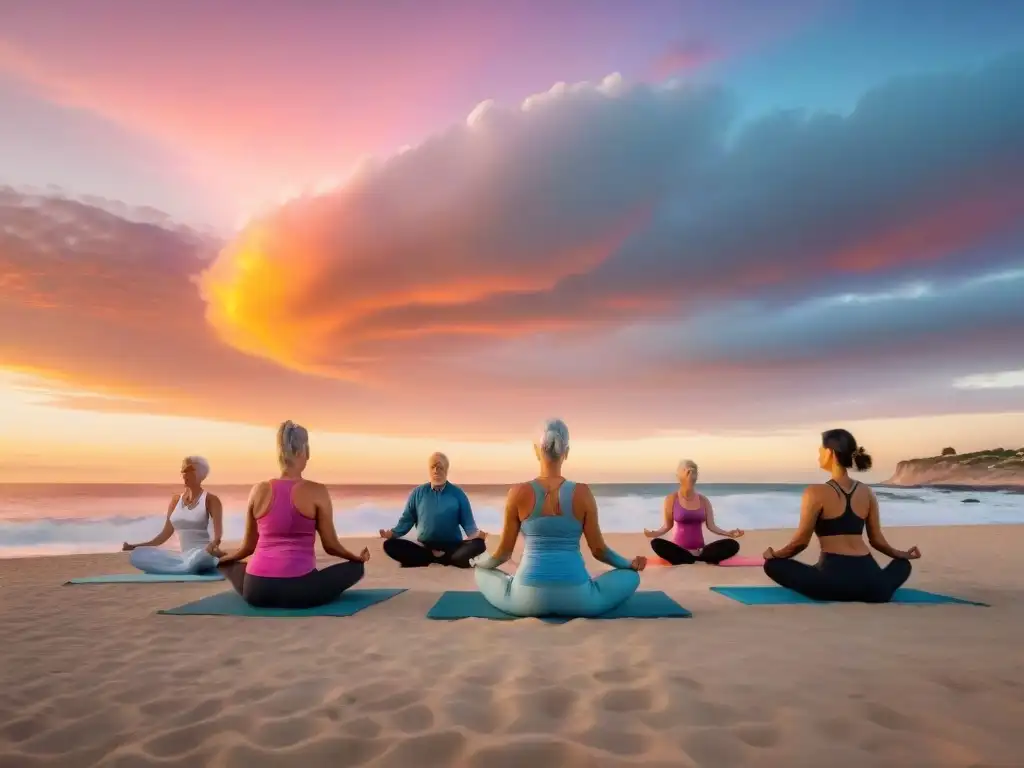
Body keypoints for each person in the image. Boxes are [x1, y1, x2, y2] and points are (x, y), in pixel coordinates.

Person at [473, 418, 646, 618]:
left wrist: (480, 563)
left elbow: (503, 554)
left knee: (481, 571)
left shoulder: (517, 493)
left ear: (536, 450)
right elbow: (599, 551)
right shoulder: (582, 493)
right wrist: (628, 564)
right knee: (631, 577)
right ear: (566, 452)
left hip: (526, 600)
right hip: (579, 599)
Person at [217, 420, 369, 608]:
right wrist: (356, 558)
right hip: (299, 589)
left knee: (230, 566)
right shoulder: (317, 491)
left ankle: (232, 568)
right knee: (356, 569)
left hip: (256, 590)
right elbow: (331, 546)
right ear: (303, 451)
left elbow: (247, 548)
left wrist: (226, 559)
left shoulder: (258, 490)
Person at [762, 428, 920, 602]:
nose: (818, 456)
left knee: (773, 566)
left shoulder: (815, 492)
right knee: (902, 564)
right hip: (874, 587)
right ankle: (881, 584)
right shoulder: (867, 492)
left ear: (829, 453)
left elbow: (800, 543)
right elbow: (876, 540)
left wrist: (775, 555)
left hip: (833, 583)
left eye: (820, 451)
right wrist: (901, 554)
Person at [379, 452, 486, 568]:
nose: (436, 470)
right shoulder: (418, 493)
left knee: (479, 545)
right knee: (390, 545)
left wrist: (477, 535)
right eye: (433, 467)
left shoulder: (458, 494)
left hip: (453, 547)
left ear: (446, 469)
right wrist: (393, 533)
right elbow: (406, 520)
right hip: (425, 547)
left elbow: (469, 525)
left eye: (440, 467)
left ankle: (444, 558)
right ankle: (434, 557)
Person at [122, 456, 224, 574]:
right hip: (183, 556)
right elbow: (164, 535)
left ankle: (193, 564)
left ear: (201, 474)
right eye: (183, 470)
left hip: (202, 553)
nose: (184, 474)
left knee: (199, 558)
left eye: (189, 470)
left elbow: (218, 536)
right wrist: (135, 547)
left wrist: (212, 546)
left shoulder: (211, 499)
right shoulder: (176, 500)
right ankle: (183, 566)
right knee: (138, 555)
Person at [644, 460, 744, 565]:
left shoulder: (703, 500)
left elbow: (712, 526)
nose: (690, 473)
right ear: (678, 475)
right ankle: (688, 557)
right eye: (686, 470)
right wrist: (654, 533)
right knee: (656, 543)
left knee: (733, 545)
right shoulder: (671, 499)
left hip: (700, 550)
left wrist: (728, 533)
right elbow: (667, 526)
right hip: (679, 550)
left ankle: (696, 558)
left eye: (693, 471)